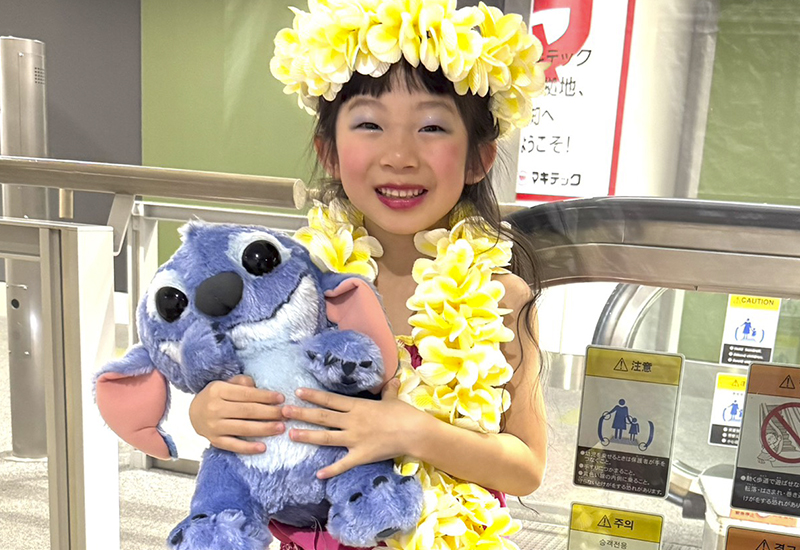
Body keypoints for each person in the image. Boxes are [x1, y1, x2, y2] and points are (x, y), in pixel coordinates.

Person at [188, 1, 549, 548]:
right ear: (329, 151)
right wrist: (207, 412)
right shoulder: (290, 286)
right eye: (370, 125)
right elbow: (229, 389)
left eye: (432, 126)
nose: (399, 155)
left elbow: (526, 467)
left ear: (479, 158)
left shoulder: (502, 296)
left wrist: (416, 433)